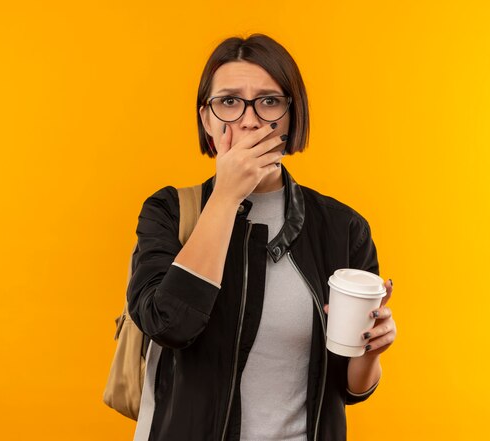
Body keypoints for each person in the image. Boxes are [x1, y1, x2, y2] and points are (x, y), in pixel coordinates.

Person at [127, 33, 397, 441]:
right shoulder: (168, 212)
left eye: (269, 101)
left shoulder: (343, 228)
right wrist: (226, 195)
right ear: (207, 120)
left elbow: (349, 387)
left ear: (292, 115)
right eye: (229, 102)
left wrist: (371, 352)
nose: (250, 120)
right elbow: (169, 325)